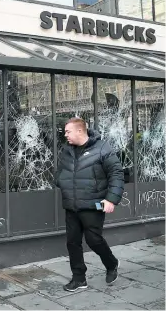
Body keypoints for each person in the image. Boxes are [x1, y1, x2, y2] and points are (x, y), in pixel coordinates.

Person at [55, 117, 124, 292]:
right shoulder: (67, 150)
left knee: (94, 239)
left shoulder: (102, 149)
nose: (66, 135)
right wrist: (61, 182)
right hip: (71, 205)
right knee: (72, 242)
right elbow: (60, 172)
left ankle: (111, 263)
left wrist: (111, 199)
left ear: (80, 131)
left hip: (94, 205)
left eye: (68, 132)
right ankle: (79, 279)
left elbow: (116, 174)